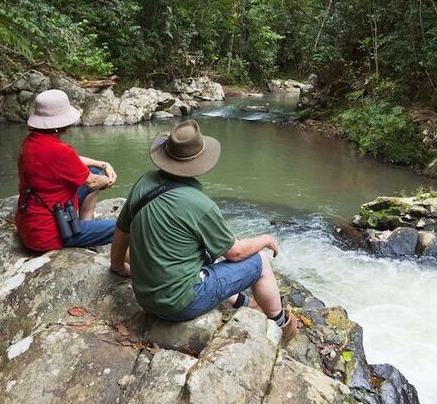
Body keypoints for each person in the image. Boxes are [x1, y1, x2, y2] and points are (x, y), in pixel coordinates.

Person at [110, 119, 297, 339]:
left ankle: (241, 302)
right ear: (198, 162)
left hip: (146, 298)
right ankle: (280, 323)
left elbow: (122, 230)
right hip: (180, 305)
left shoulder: (144, 182)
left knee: (207, 250)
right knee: (260, 261)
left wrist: (118, 266)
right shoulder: (200, 204)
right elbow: (235, 253)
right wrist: (265, 239)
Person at [15, 89, 120, 253]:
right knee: (122, 226)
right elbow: (92, 181)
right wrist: (109, 180)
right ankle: (121, 266)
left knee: (93, 170)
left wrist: (102, 164)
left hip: (28, 225)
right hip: (51, 234)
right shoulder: (60, 151)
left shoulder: (30, 142)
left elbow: (73, 161)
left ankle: (86, 228)